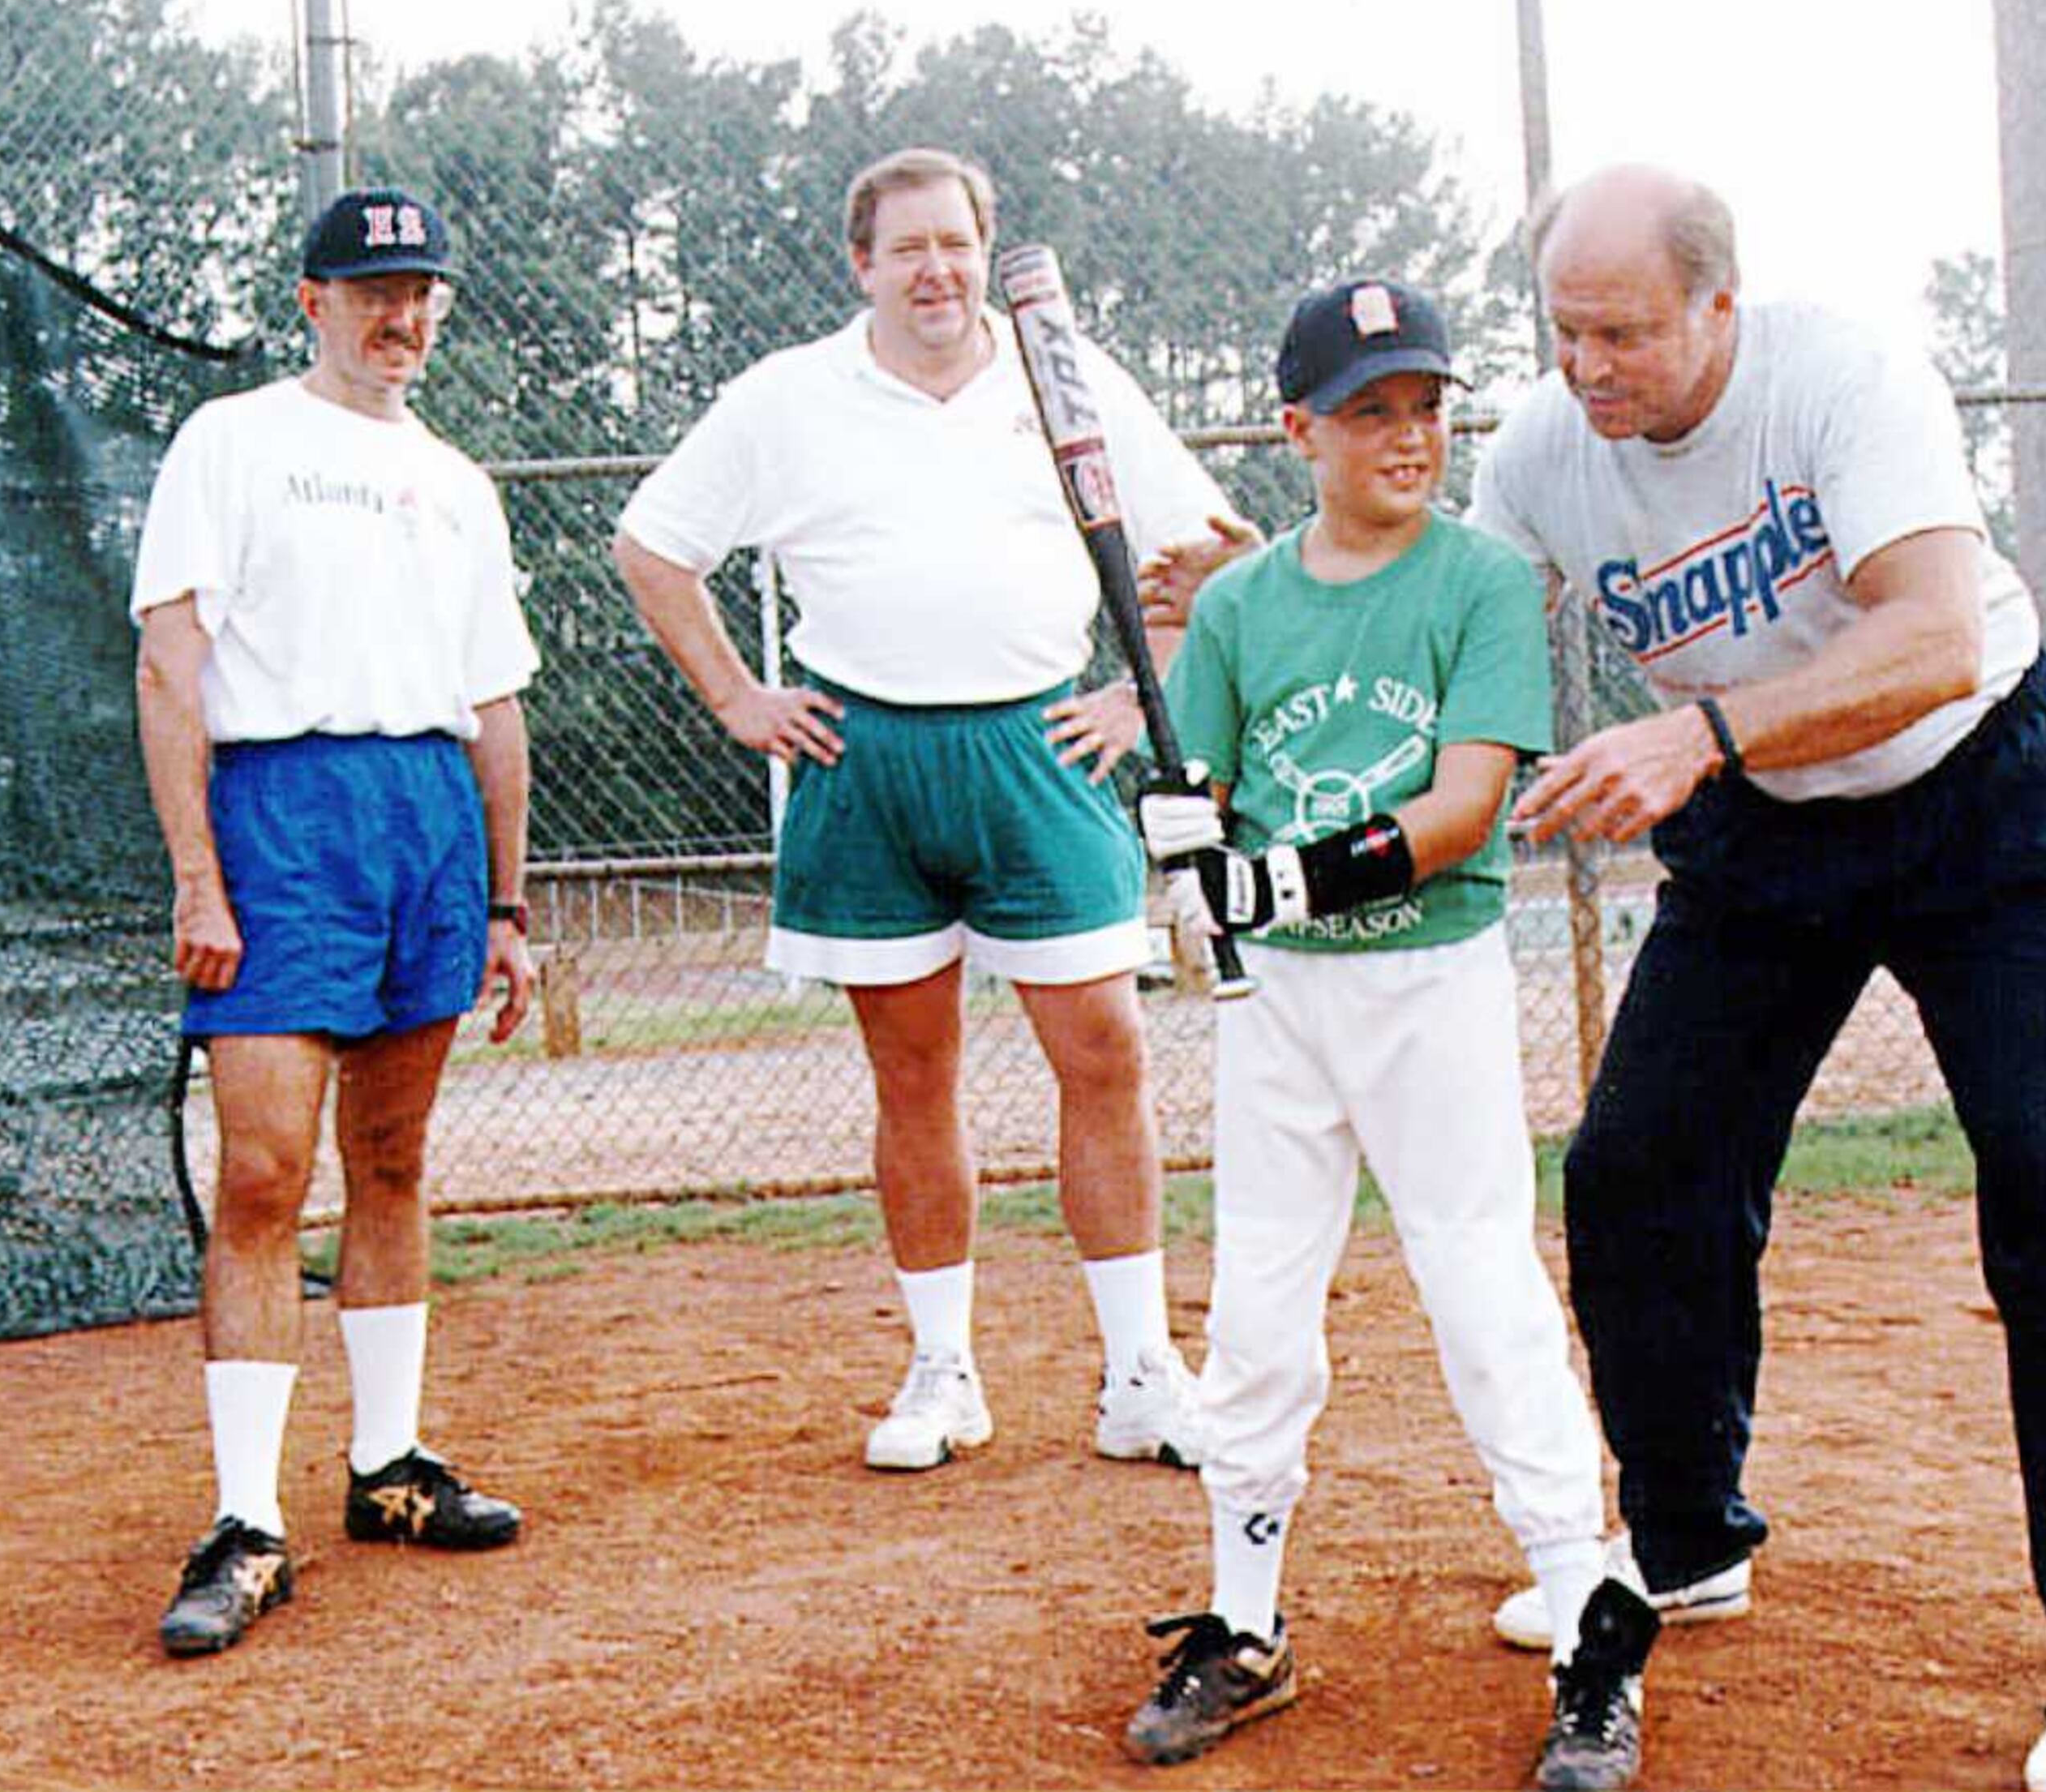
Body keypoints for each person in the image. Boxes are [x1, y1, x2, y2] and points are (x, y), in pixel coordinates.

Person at [1468, 162, 2046, 1792]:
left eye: (1626, 333)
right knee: (1639, 1166)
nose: (1589, 368)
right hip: (1766, 828)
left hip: (1977, 800)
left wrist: (1701, 729)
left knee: (2040, 1177)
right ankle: (1682, 1540)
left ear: (1721, 306)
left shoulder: (1839, 379)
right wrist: (1264, 588)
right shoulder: (1542, 452)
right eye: (1565, 332)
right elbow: (1440, 612)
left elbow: (1936, 634)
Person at [611, 148, 1241, 1474]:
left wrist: (1139, 694)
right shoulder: (791, 396)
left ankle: (1140, 1370)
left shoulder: (1062, 372)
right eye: (908, 250)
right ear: (864, 266)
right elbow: (652, 544)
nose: (937, 272)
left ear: (984, 251)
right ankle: (943, 1370)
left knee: (1107, 1055)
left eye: (956, 244)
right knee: (914, 1073)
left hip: (1039, 749)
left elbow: (1216, 547)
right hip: (864, 758)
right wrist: (739, 698)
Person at [1117, 280, 1640, 1789]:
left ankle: (1587, 1616)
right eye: (1368, 412)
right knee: (1261, 1311)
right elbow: (1205, 798)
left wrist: (1267, 870)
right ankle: (1243, 1617)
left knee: (1482, 1288)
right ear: (1301, 432)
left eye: (1424, 408)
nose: (1406, 436)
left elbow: (1463, 805)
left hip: (1429, 984)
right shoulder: (1236, 606)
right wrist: (1182, 839)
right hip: (1282, 1006)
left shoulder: (1479, 581)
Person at [130, 186, 540, 1657]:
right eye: (373, 288)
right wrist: (199, 872)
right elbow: (172, 662)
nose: (402, 314)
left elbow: (495, 706)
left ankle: (389, 1468)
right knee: (258, 1168)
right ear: (313, 301)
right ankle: (247, 1520)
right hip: (283, 817)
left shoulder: (460, 482)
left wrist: (504, 900)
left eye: (422, 287)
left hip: (427, 818)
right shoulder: (233, 442)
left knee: (393, 1155)